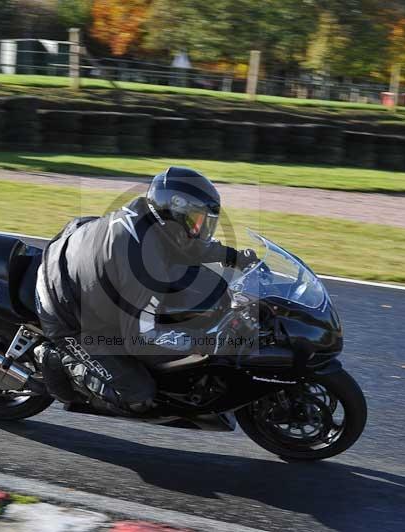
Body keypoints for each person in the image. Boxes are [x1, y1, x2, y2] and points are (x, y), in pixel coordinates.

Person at [35, 166, 258, 414]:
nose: (201, 229)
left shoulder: (150, 213)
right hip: (64, 310)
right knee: (138, 393)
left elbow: (186, 244)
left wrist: (234, 256)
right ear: (175, 211)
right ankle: (57, 359)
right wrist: (204, 343)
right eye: (197, 221)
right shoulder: (143, 268)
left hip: (76, 259)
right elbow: (139, 339)